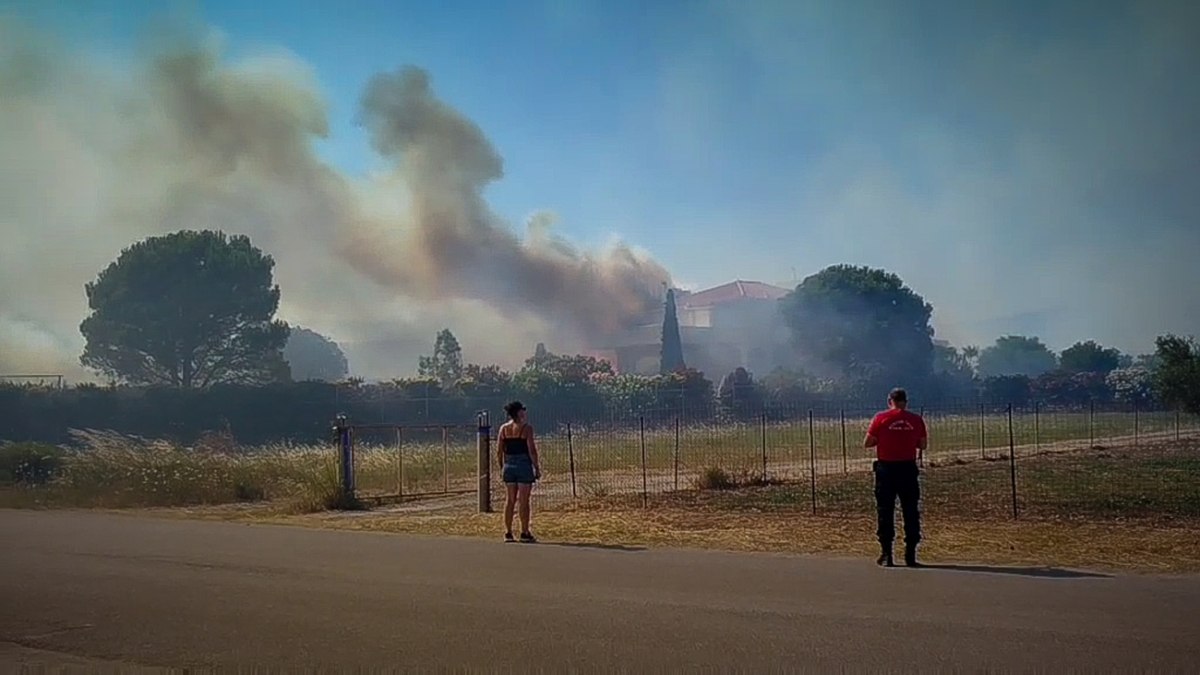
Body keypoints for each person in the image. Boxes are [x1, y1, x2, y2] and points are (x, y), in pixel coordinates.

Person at [864, 388, 928, 567]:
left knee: (885, 510)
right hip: (907, 468)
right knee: (910, 510)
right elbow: (922, 444)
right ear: (906, 402)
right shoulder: (916, 420)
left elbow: (867, 442)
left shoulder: (880, 418)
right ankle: (910, 554)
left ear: (889, 400)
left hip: (886, 469)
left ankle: (886, 554)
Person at [497, 400, 541, 543]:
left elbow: (499, 451)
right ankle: (524, 532)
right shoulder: (526, 428)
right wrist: (536, 467)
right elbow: (531, 450)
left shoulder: (503, 429)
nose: (524, 412)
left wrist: (502, 466)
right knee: (523, 501)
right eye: (522, 410)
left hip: (509, 464)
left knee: (510, 500)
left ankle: (508, 532)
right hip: (523, 465)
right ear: (518, 412)